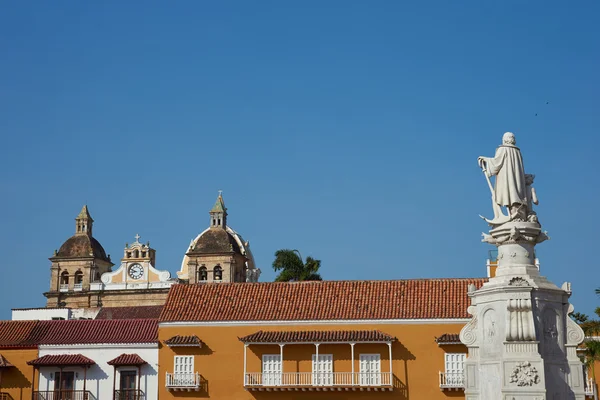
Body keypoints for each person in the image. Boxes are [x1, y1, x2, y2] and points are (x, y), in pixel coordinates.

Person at [478, 132, 528, 223]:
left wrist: (485, 160)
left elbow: (497, 163)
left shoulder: (503, 149)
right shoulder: (517, 151)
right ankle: (516, 214)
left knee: (508, 194)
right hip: (517, 181)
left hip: (507, 179)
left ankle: (513, 214)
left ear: (504, 139)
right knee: (515, 194)